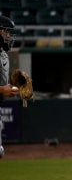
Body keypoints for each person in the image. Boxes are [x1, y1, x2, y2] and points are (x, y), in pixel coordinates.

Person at [0, 15, 20, 158]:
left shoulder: (3, 54)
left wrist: (16, 88)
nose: (9, 36)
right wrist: (2, 90)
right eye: (6, 32)